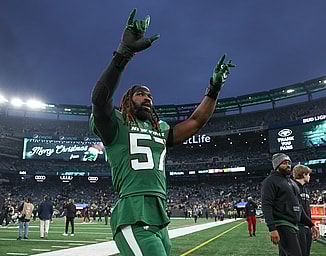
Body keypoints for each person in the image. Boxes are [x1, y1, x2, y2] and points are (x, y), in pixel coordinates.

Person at [89, 8, 235, 256]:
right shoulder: (116, 124)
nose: (147, 99)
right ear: (127, 99)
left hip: (159, 217)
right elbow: (100, 98)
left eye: (150, 96)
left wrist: (213, 90)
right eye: (140, 94)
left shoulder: (161, 129)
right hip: (133, 214)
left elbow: (197, 122)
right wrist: (123, 54)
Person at [261, 153, 318, 256]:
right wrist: (272, 228)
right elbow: (266, 205)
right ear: (277, 165)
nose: (288, 165)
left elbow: (299, 207)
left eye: (289, 163)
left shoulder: (291, 182)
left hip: (294, 224)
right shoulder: (270, 181)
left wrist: (311, 224)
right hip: (282, 224)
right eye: (284, 163)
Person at [293, 164, 318, 256]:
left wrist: (310, 225)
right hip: (297, 226)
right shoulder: (292, 187)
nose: (309, 176)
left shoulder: (305, 189)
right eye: (308, 174)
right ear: (303, 174)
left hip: (307, 226)